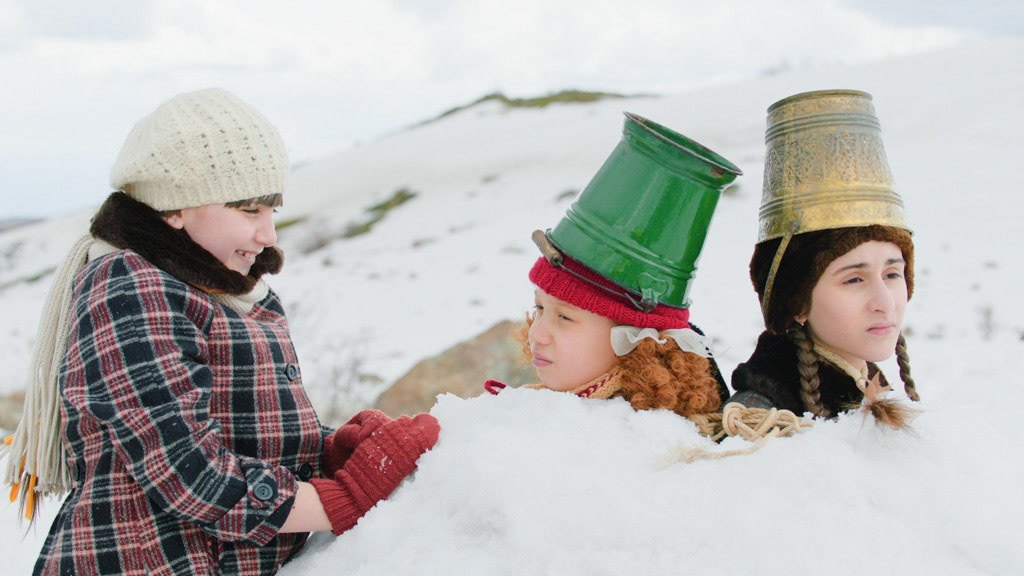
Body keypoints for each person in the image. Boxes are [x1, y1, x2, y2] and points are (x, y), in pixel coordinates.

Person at [0, 88, 438, 575]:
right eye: (249, 210)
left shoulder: (230, 289)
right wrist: (343, 499)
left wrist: (329, 451)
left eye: (272, 209)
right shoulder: (129, 286)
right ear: (175, 208)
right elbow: (186, 469)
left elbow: (243, 431)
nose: (268, 234)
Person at [489, 112, 743, 419]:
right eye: (540, 308)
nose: (537, 335)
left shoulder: (654, 443)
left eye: (565, 317)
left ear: (638, 344)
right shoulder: (557, 415)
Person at [727, 89, 920, 427]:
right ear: (798, 302)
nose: (885, 303)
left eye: (892, 274)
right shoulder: (762, 422)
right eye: (854, 279)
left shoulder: (869, 386)